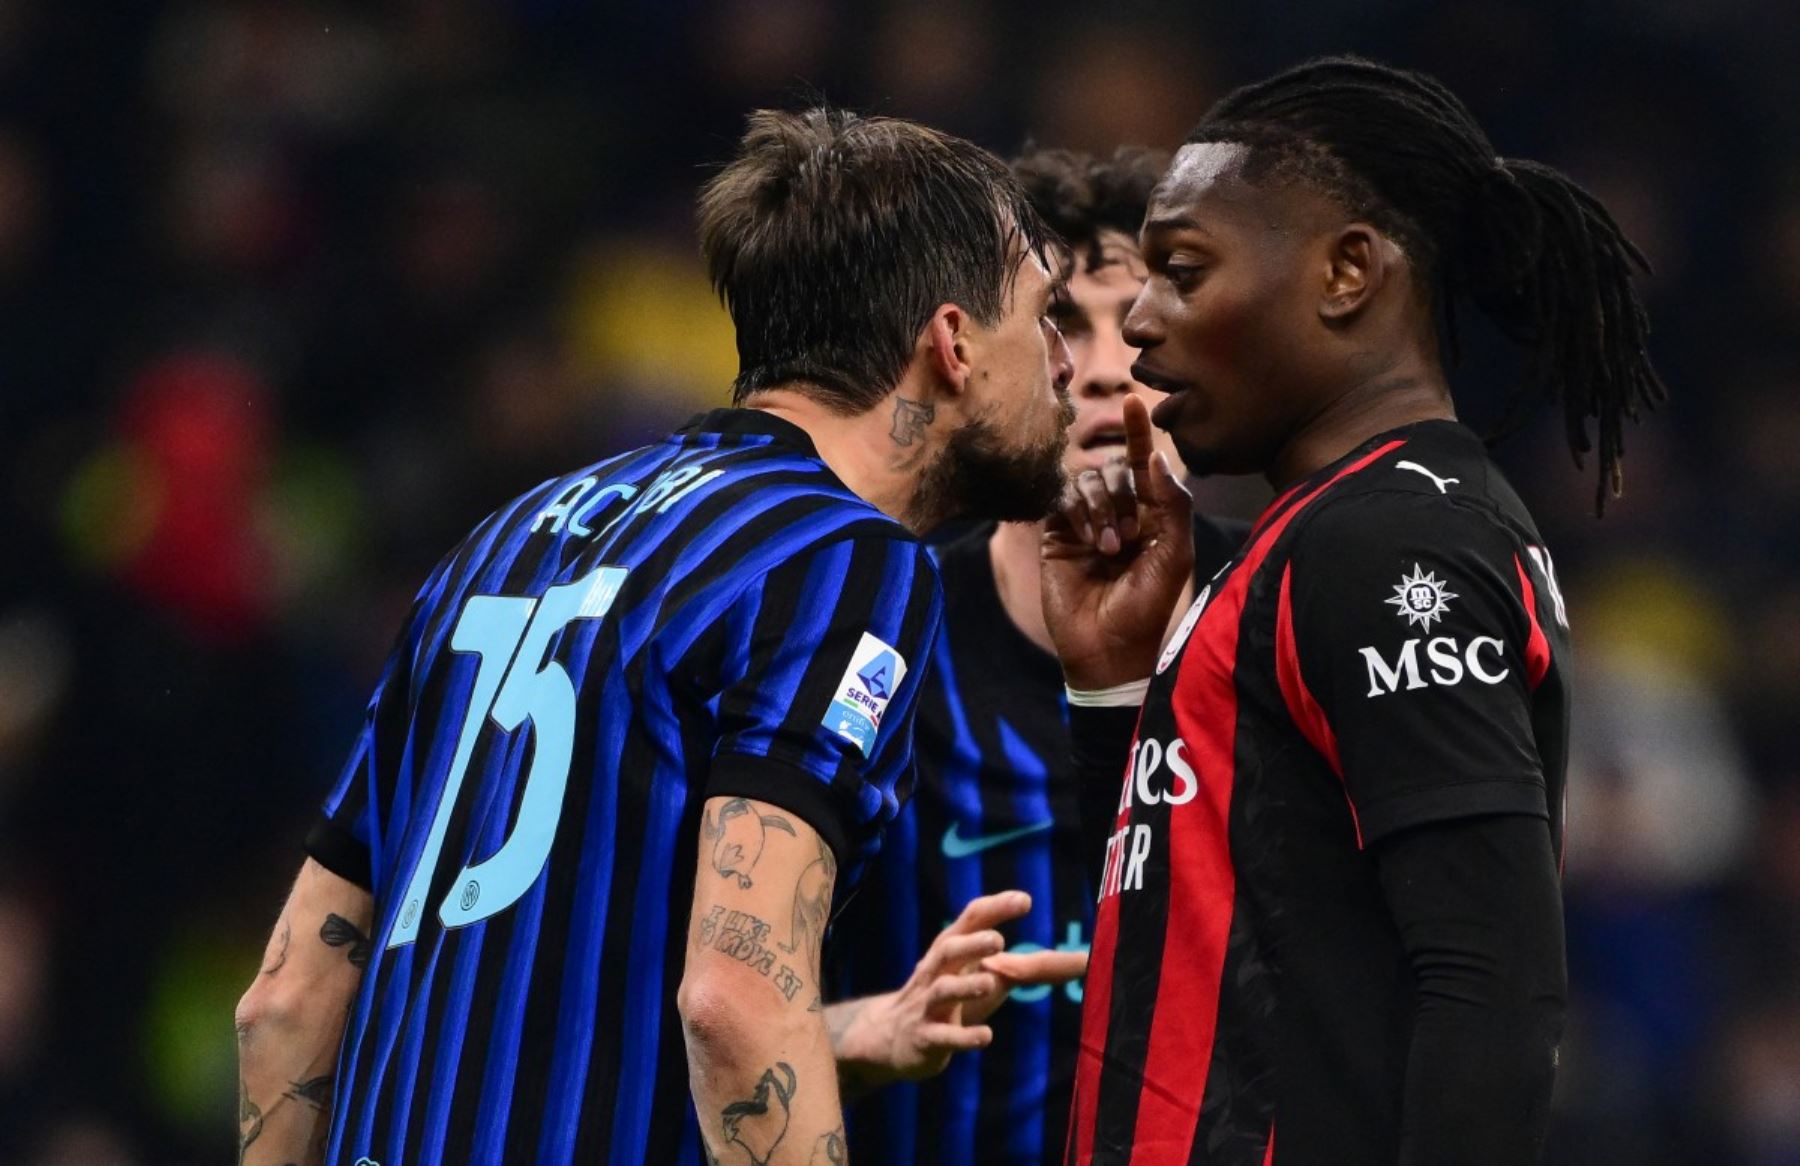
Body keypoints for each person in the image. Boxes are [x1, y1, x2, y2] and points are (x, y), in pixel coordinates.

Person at [232, 106, 1079, 1166]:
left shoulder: (501, 543)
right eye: (1047, 313)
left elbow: (284, 997)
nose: (1067, 360)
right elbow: (736, 997)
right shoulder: (837, 556)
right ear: (951, 343)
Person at [1041, 57, 1664, 1165]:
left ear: (1346, 272)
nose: (1138, 318)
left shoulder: (1391, 540)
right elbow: (1189, 935)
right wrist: (1113, 691)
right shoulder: (1306, 536)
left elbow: (1495, 988)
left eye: (1182, 269)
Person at [826, 146, 1246, 1165]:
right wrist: (872, 1028)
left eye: (1144, 319)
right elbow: (719, 1002)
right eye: (1063, 319)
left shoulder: (1285, 623)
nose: (1107, 364)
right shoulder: (877, 633)